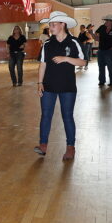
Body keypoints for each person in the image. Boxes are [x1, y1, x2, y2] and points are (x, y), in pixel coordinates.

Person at [34, 11, 86, 160]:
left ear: (63, 24)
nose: (50, 28)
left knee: (67, 116)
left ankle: (70, 147)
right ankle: (43, 145)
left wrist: (66, 59)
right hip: (48, 86)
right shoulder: (47, 44)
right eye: (50, 25)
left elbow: (83, 62)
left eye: (53, 25)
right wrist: (40, 83)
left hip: (67, 86)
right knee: (46, 115)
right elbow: (43, 64)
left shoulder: (74, 42)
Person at [94, 15, 112, 86]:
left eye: (107, 20)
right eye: (105, 20)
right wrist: (92, 33)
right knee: (101, 65)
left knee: (110, 65)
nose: (105, 22)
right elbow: (97, 39)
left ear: (111, 21)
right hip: (101, 49)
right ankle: (101, 81)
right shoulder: (102, 27)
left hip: (111, 50)